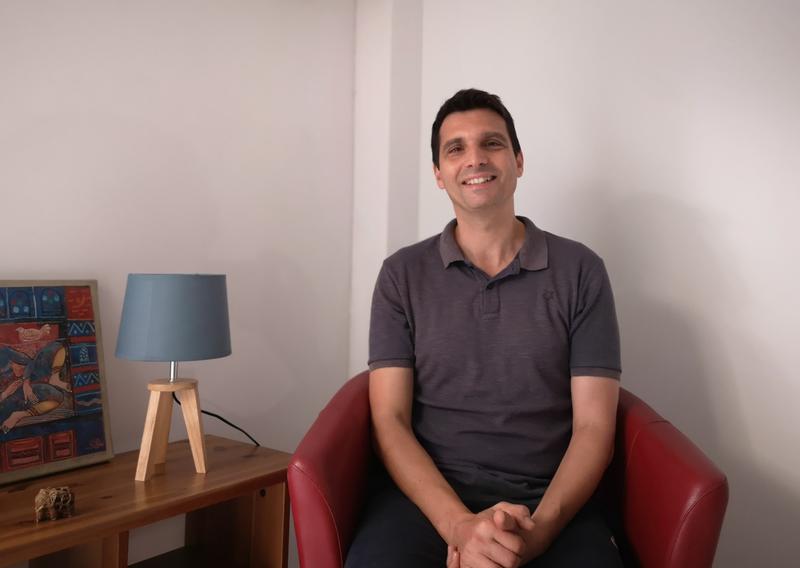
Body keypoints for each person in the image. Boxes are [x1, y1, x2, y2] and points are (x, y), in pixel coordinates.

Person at [345, 89, 623, 568]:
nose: (475, 158)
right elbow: (389, 420)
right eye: (456, 148)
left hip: (550, 501)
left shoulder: (582, 271)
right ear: (439, 174)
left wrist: (539, 533)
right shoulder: (400, 275)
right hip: (427, 500)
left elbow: (595, 426)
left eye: (491, 143)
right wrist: (458, 526)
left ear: (518, 160)